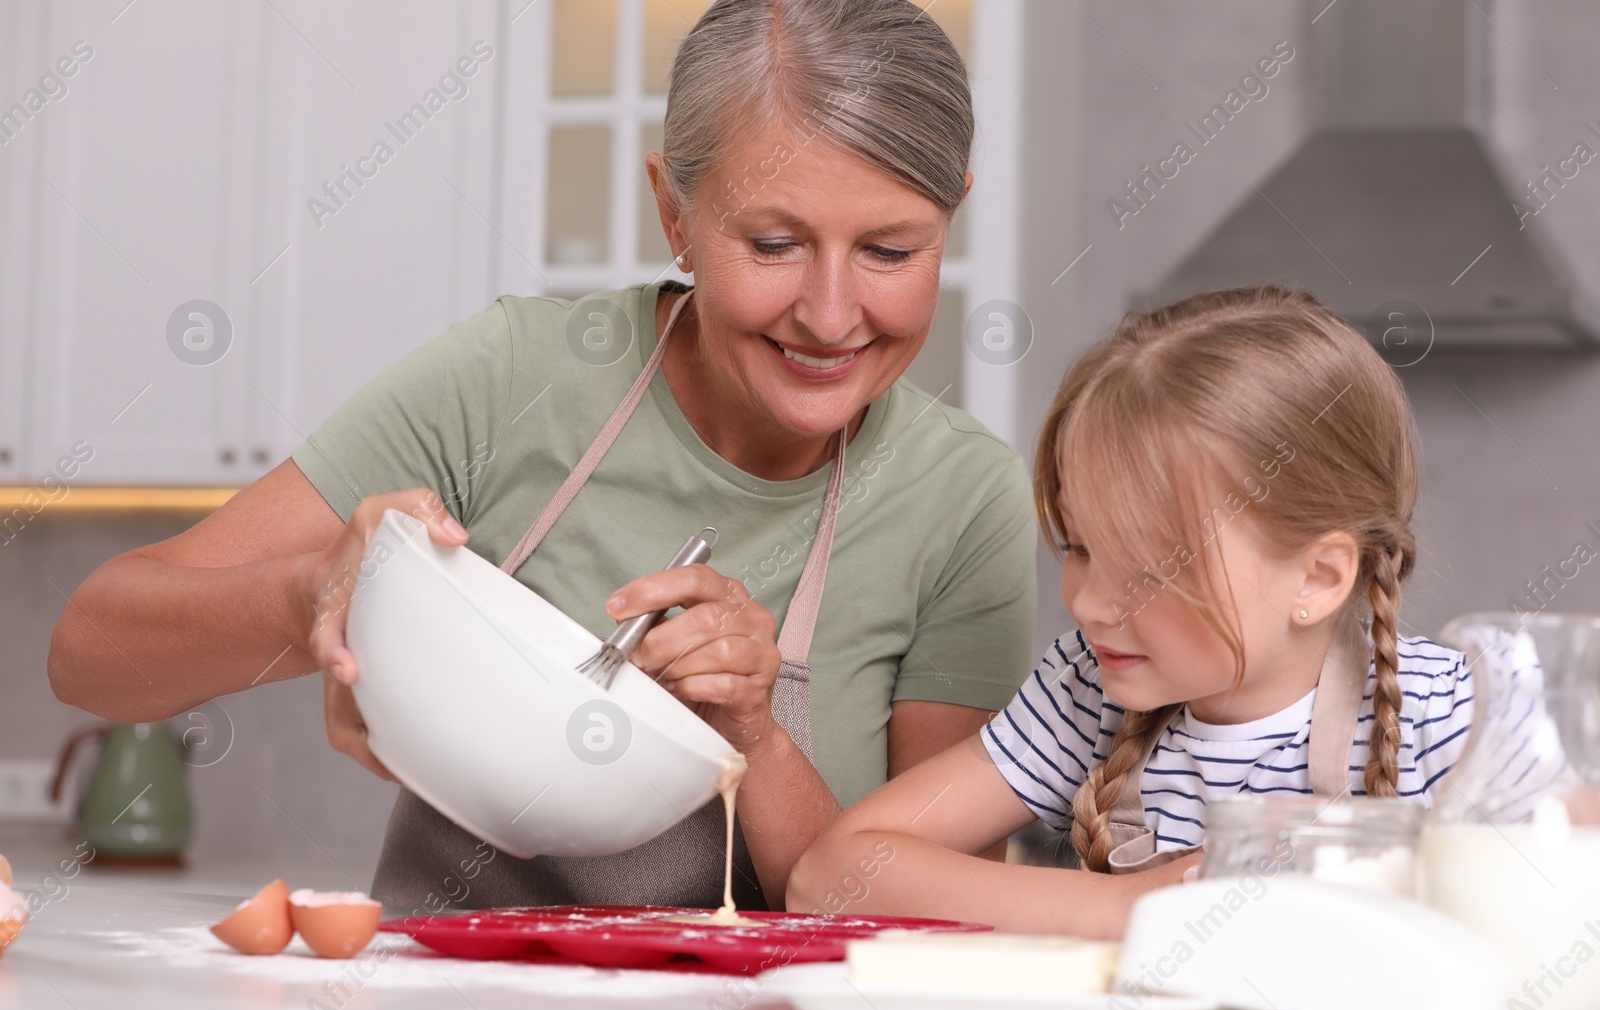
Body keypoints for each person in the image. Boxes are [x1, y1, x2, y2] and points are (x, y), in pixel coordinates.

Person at [46, 0, 1036, 911]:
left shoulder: (962, 500)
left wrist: (756, 735)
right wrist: (313, 593)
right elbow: (88, 655)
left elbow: (936, 922)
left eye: (891, 252)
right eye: (774, 242)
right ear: (674, 216)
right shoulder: (513, 378)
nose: (829, 315)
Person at [790, 286, 1567, 937]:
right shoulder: (1082, 693)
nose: (1090, 603)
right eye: (1081, 547)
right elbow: (832, 873)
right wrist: (1124, 906)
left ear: (1320, 576)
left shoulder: (1453, 712)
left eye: (1152, 569)